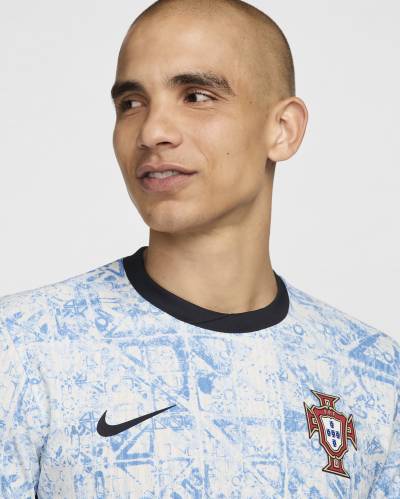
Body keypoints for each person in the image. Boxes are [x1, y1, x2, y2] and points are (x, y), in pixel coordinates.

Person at [1, 0, 398, 497]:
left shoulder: (374, 374)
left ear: (283, 129)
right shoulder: (22, 348)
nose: (152, 132)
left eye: (196, 96)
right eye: (131, 103)